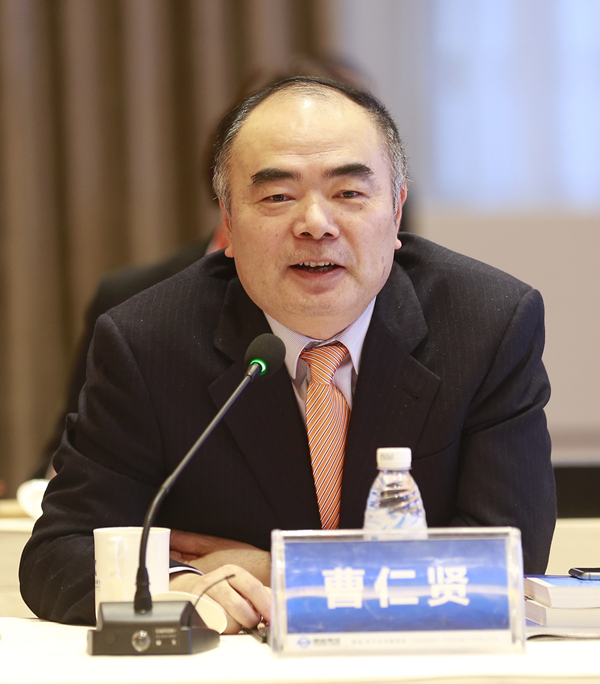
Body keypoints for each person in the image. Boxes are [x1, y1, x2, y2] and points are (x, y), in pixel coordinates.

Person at [20, 76, 556, 631]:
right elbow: (59, 553)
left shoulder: (486, 323)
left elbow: (511, 562)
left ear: (396, 212)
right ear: (229, 223)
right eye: (277, 196)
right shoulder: (148, 341)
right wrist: (182, 586)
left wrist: (286, 574)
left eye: (349, 194)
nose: (316, 225)